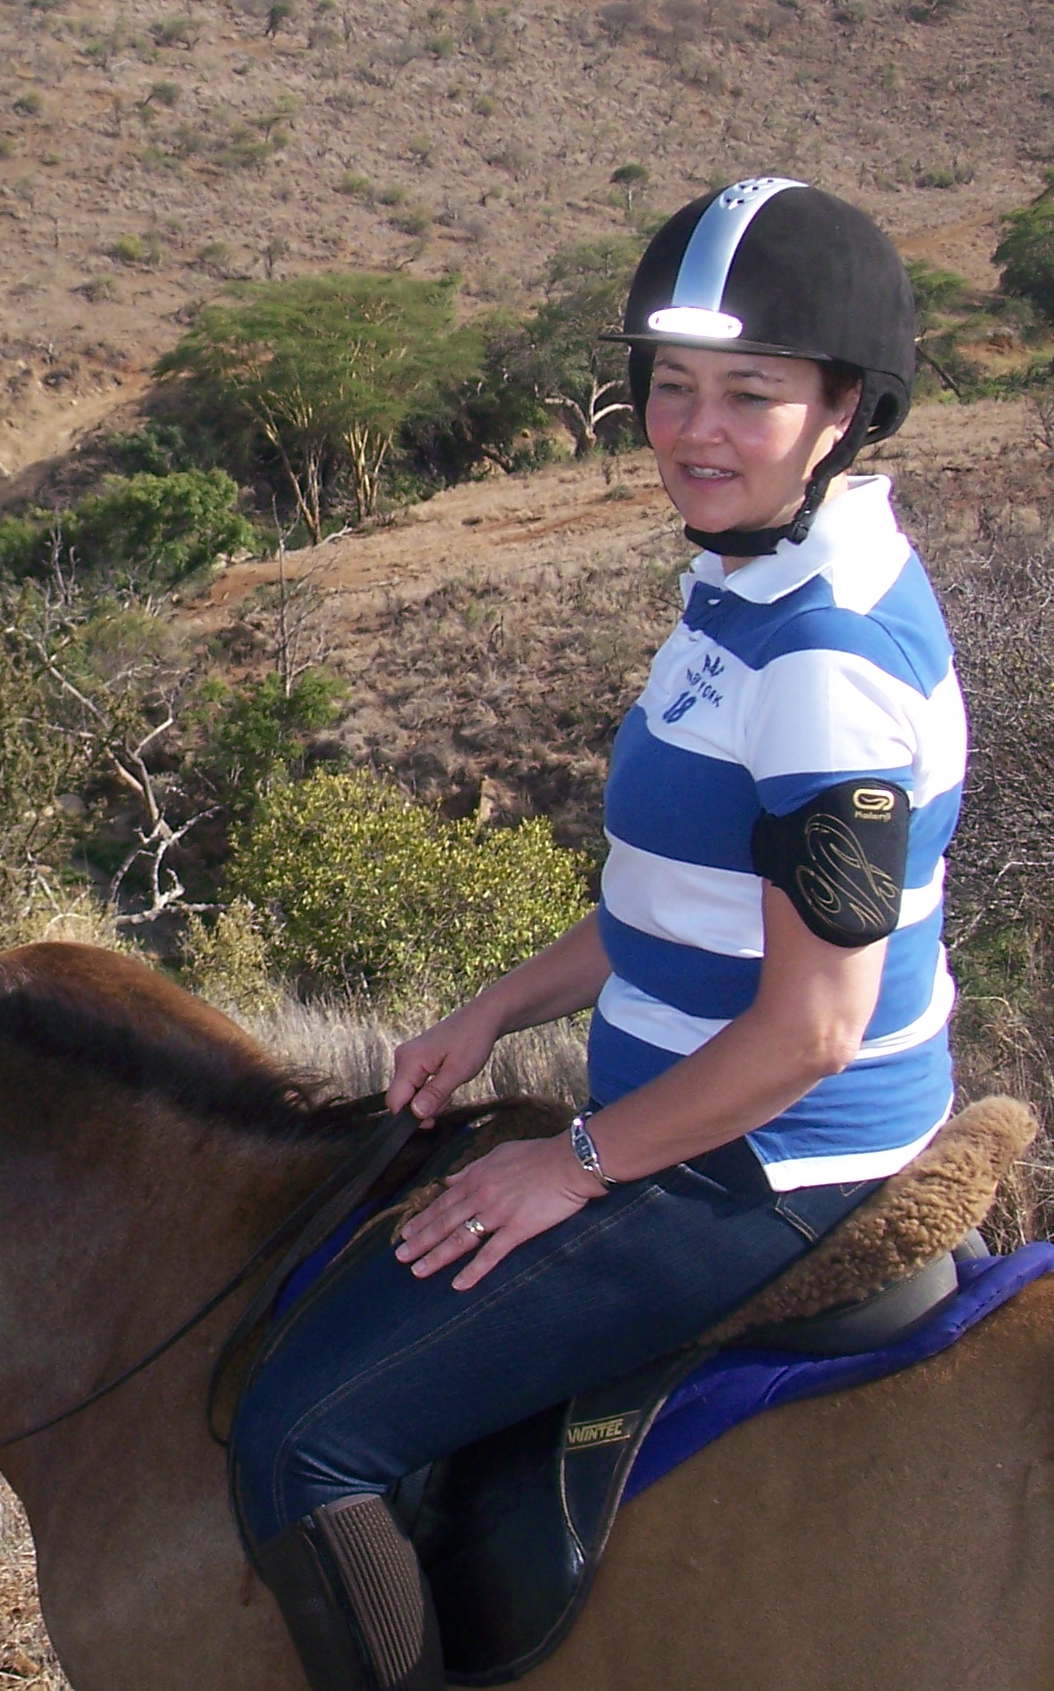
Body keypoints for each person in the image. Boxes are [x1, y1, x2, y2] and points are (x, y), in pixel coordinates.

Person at [230, 179, 966, 1691]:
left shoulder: (823, 662)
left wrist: (572, 1163)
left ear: (844, 409)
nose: (695, 430)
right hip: (694, 1113)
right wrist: (494, 1011)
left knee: (300, 1438)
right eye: (672, 386)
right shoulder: (748, 579)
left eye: (750, 395)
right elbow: (673, 898)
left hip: (767, 1161)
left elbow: (812, 1028)